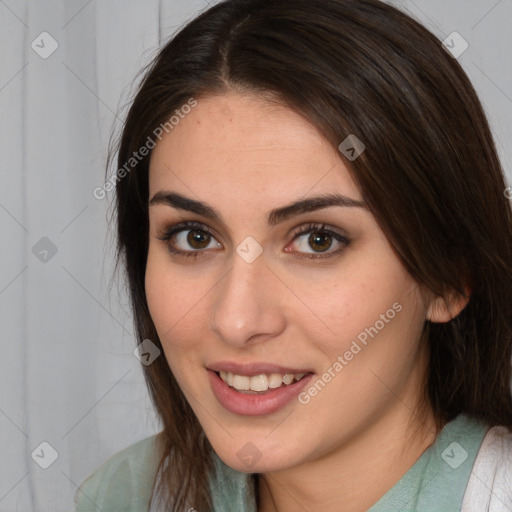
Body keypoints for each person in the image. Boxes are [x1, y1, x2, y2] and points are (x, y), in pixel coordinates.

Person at [74, 0, 512, 510]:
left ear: (450, 274)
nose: (236, 321)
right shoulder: (127, 495)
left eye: (317, 240)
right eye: (194, 237)